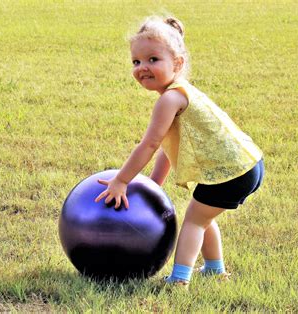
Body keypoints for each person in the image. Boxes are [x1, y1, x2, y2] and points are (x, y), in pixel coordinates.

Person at [94, 16, 264, 287]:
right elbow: (168, 143)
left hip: (231, 172)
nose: (142, 68)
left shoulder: (171, 98)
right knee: (204, 216)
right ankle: (214, 270)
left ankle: (179, 280)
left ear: (177, 63)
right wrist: (154, 183)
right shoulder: (181, 92)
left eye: (153, 59)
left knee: (194, 221)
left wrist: (122, 180)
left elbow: (149, 144)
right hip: (246, 165)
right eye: (136, 62)